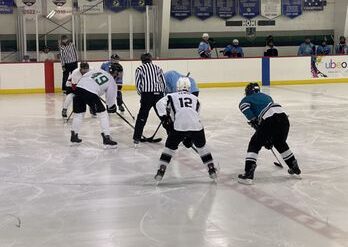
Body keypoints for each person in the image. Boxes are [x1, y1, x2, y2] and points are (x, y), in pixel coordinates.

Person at [154, 77, 217, 182]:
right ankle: (211, 169)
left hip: (179, 126)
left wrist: (165, 117)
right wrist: (190, 137)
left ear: (177, 87)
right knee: (202, 147)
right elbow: (194, 116)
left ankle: (161, 170)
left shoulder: (171, 95)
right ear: (189, 87)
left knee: (169, 148)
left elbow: (159, 104)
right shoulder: (196, 99)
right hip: (197, 126)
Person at [238, 82, 301, 185]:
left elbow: (244, 107)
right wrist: (268, 137)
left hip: (270, 119)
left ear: (248, 92)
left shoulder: (246, 99)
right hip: (284, 118)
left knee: (254, 144)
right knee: (280, 142)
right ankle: (294, 166)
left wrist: (253, 121)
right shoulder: (267, 97)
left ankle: (248, 173)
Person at [70, 63, 123, 147]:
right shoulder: (111, 80)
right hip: (90, 93)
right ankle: (106, 137)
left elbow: (84, 78)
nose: (121, 75)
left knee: (79, 114)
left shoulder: (97, 71)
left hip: (78, 89)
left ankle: (74, 135)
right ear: (116, 72)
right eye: (120, 72)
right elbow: (110, 97)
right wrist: (111, 106)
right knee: (103, 114)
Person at [133, 53, 166, 145]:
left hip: (147, 95)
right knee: (163, 115)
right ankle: (172, 134)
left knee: (142, 116)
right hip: (158, 94)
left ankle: (137, 137)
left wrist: (142, 94)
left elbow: (138, 84)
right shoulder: (158, 68)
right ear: (151, 59)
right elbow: (163, 82)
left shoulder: (140, 69)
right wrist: (161, 94)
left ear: (142, 60)